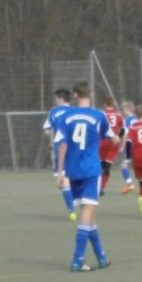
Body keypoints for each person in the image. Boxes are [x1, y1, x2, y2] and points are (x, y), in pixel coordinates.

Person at [55, 81, 117, 272]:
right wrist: (120, 136)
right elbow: (113, 140)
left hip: (73, 171)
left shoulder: (66, 116)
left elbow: (62, 145)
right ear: (90, 94)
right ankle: (77, 260)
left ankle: (101, 256)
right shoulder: (99, 116)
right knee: (87, 214)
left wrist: (60, 172)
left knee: (89, 216)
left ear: (75, 95)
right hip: (90, 170)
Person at [43, 88, 77, 221]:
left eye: (57, 99)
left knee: (63, 179)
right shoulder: (75, 111)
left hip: (60, 148)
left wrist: (50, 141)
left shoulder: (54, 112)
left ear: (61, 99)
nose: (56, 101)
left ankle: (71, 211)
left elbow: (47, 130)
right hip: (75, 148)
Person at [97, 96, 126, 195]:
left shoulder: (101, 114)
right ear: (112, 104)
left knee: (99, 166)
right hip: (113, 143)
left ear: (104, 104)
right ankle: (102, 188)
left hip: (102, 141)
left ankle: (97, 186)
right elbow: (123, 130)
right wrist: (118, 137)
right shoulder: (118, 115)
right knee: (107, 167)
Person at [118, 101, 137, 194]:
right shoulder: (137, 119)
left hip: (130, 144)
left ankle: (130, 184)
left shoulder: (126, 121)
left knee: (123, 165)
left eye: (124, 109)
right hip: (139, 145)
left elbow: (125, 134)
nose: (123, 111)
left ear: (128, 110)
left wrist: (122, 146)